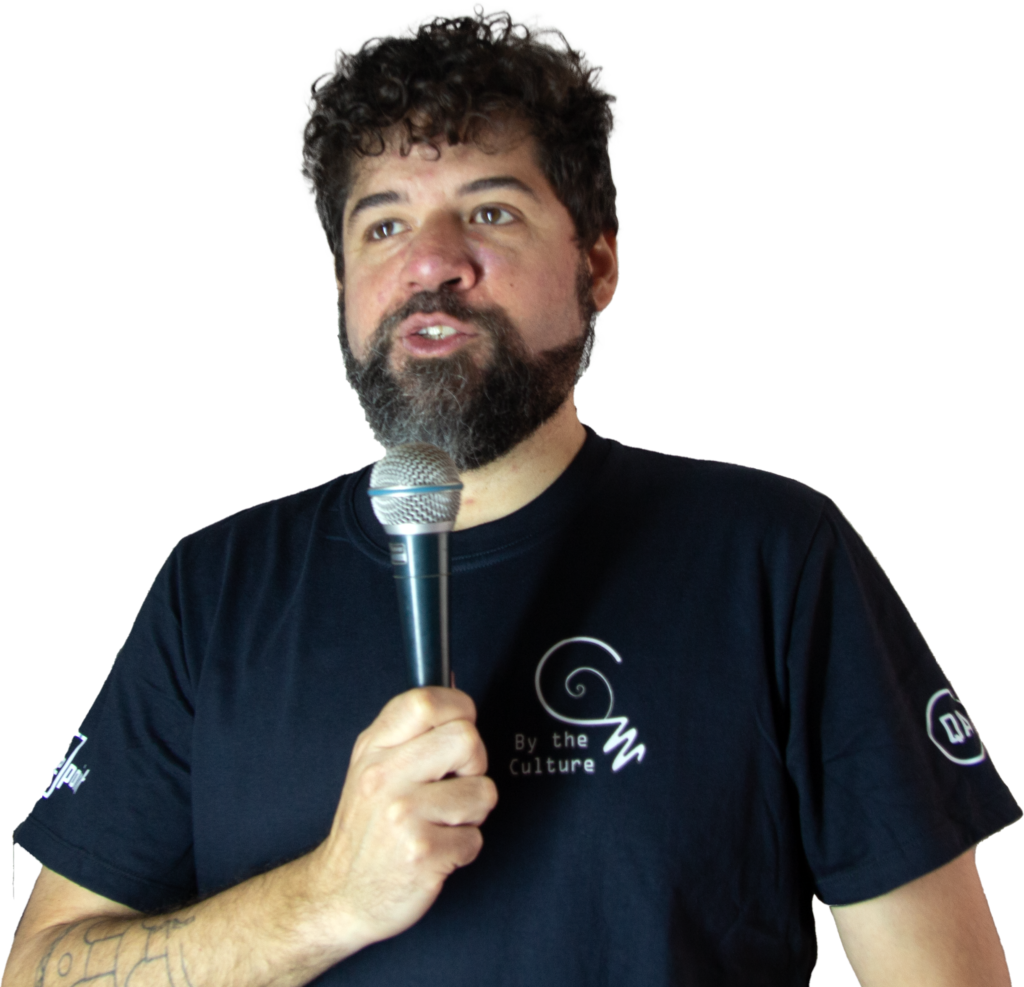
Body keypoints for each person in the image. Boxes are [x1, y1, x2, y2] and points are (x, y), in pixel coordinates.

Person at [4, 6, 1019, 985]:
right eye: (383, 224)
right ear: (343, 281)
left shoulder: (774, 556)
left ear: (597, 262)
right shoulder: (213, 589)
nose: (430, 262)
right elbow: (42, 970)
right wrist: (329, 898)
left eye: (490, 211)